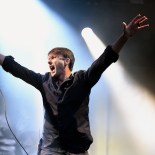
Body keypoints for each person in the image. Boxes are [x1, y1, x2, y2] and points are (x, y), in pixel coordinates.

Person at [0, 14, 149, 155]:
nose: (49, 61)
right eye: (48, 59)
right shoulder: (43, 81)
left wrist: (125, 36)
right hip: (50, 149)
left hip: (77, 149)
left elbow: (106, 59)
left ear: (66, 61)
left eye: (53, 58)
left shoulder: (83, 79)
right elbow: (17, 69)